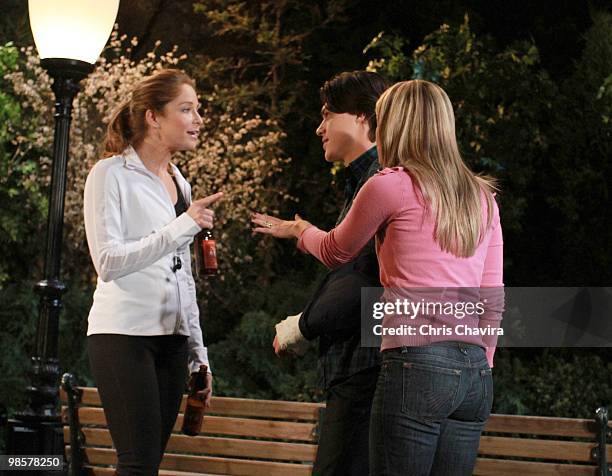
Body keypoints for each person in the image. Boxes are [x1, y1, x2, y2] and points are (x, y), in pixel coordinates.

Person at [252, 79, 504, 476]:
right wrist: (484, 362)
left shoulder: (389, 185)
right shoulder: (482, 197)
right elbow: (492, 298)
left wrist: (300, 232)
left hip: (416, 363)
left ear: (394, 124)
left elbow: (337, 250)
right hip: (474, 374)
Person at [83, 69, 223, 476]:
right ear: (152, 116)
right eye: (186, 109)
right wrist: (184, 224)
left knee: (150, 464)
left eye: (198, 109)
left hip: (173, 339)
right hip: (123, 335)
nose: (198, 119)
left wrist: (200, 357)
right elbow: (107, 262)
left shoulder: (181, 183)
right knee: (138, 463)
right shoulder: (109, 174)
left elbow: (184, 277)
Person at [271, 71, 390, 475]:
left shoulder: (378, 184)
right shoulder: (365, 182)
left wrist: (303, 326)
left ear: (361, 117)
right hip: (361, 365)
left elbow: (358, 280)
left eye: (327, 115)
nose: (319, 127)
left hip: (366, 366)